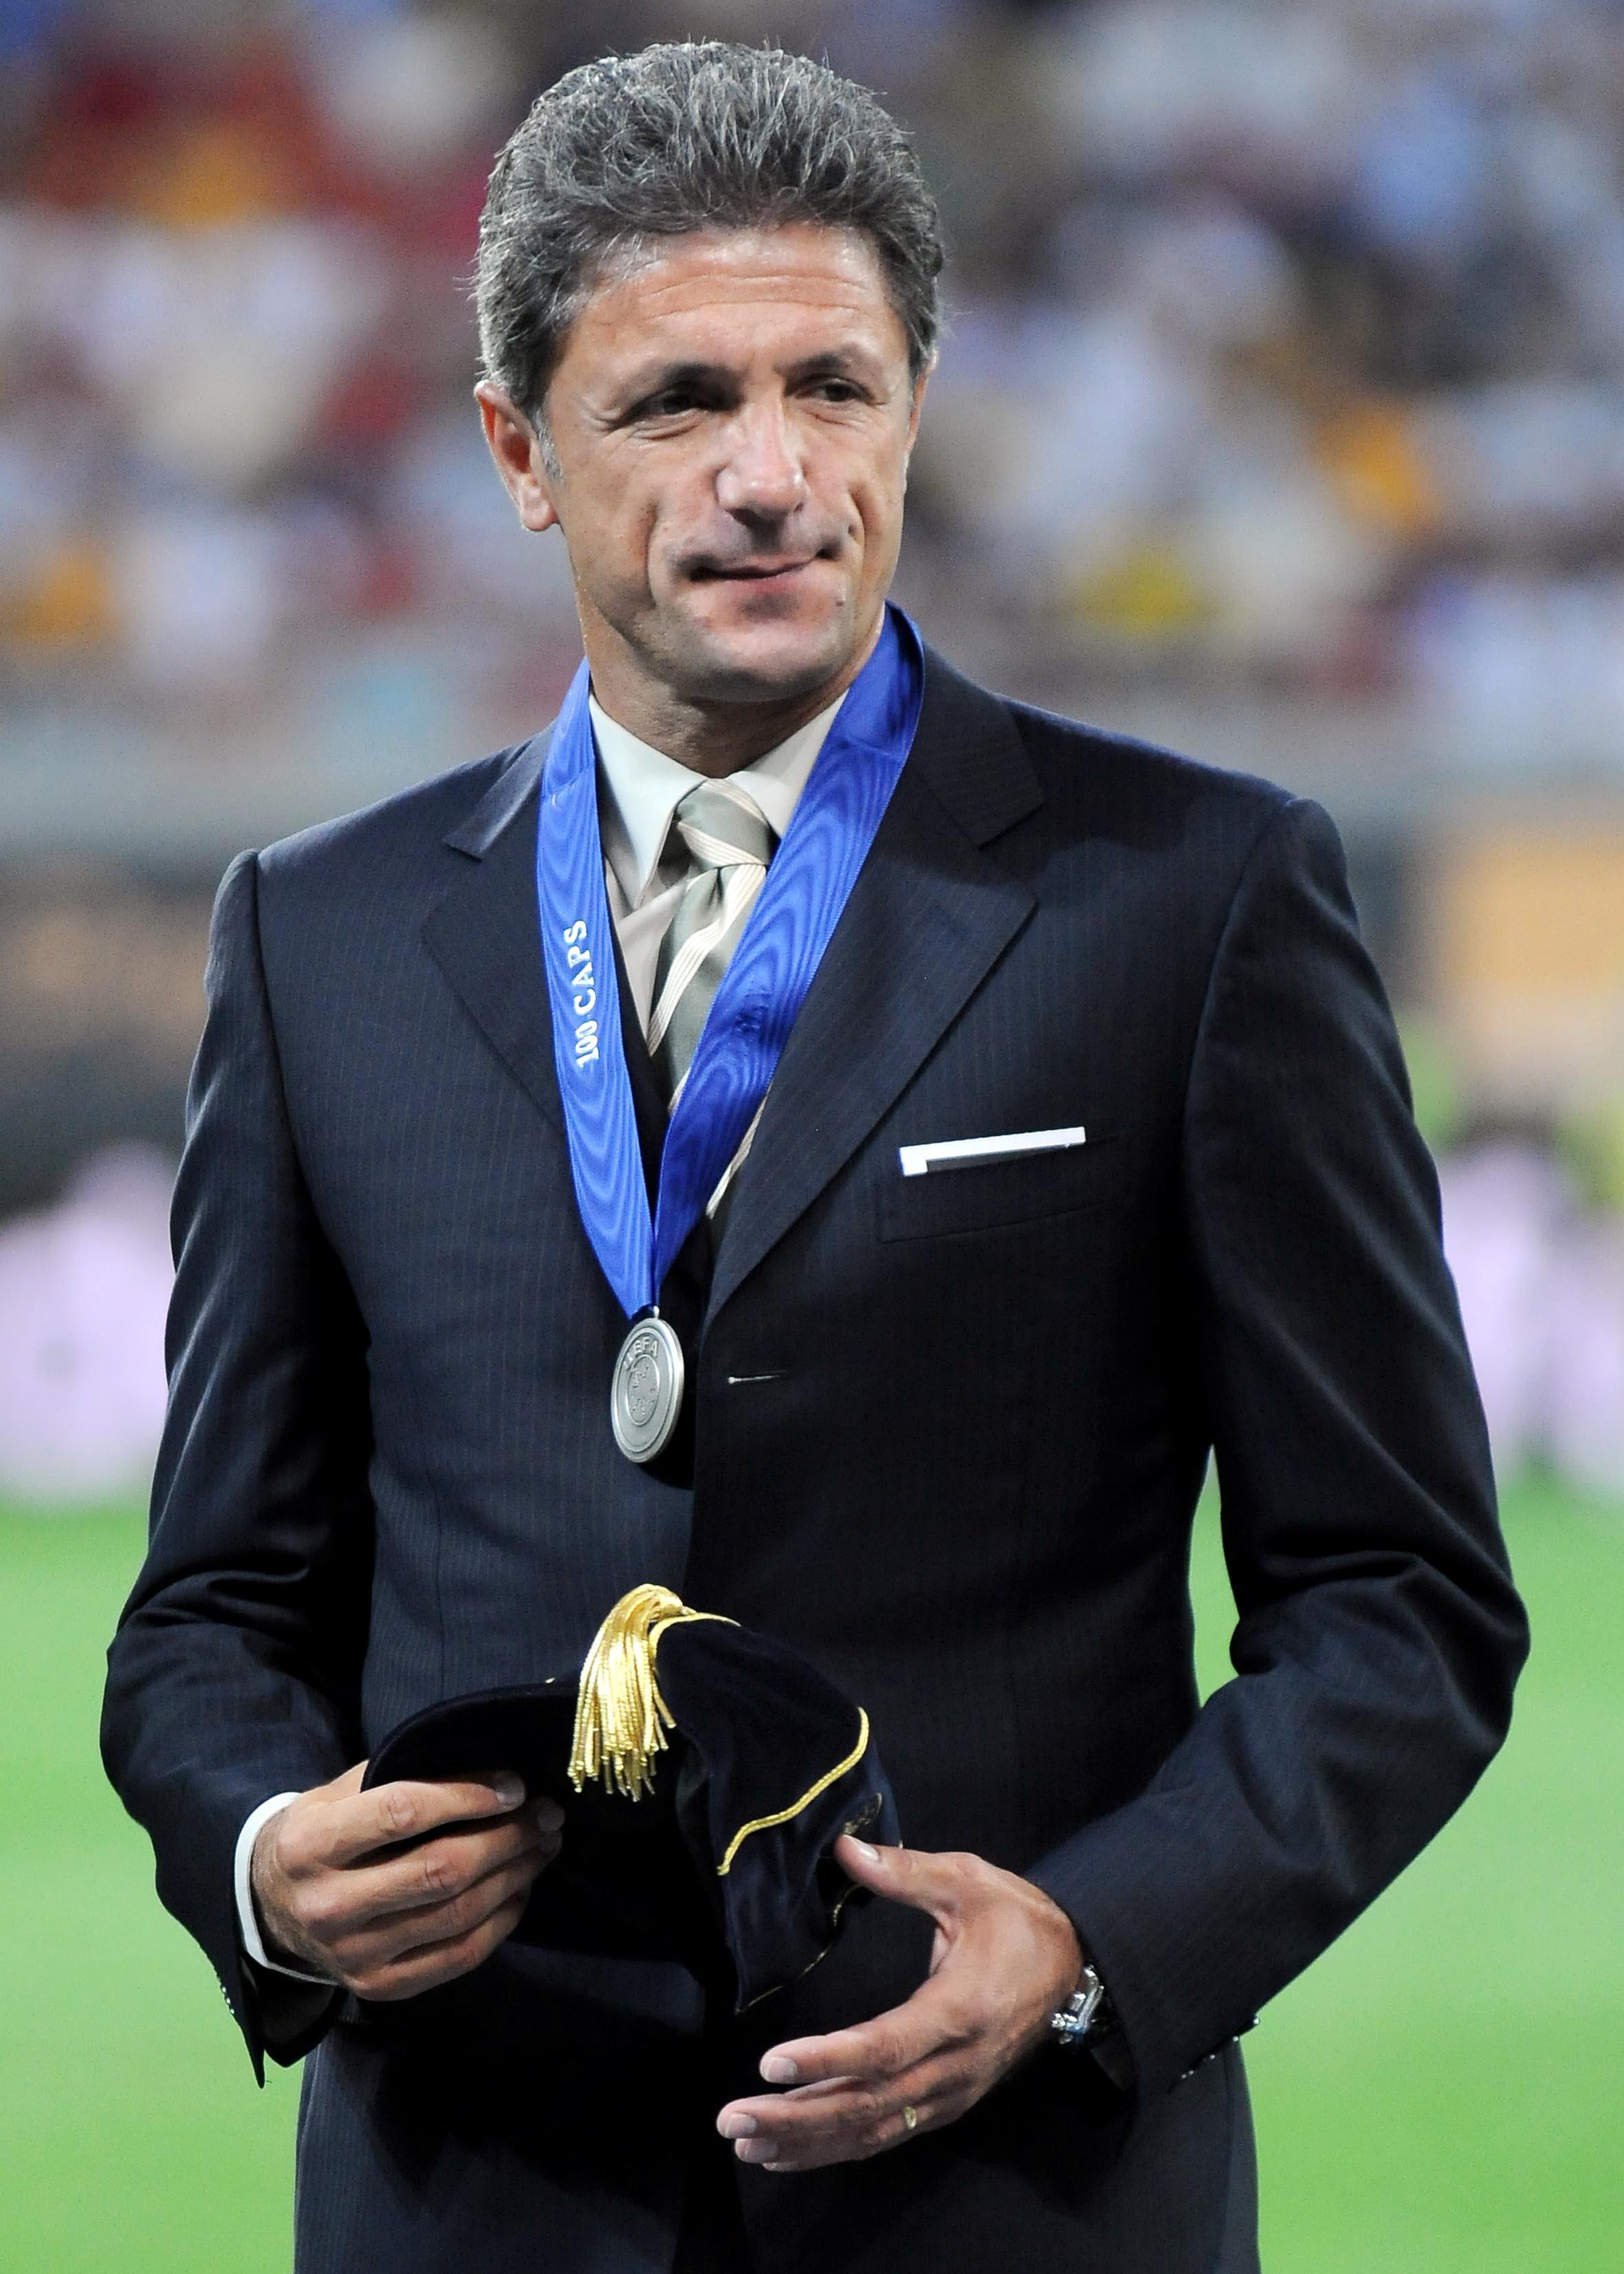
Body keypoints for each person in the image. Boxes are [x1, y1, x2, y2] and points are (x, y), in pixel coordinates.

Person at [102, 41, 1528, 2274]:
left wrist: (1091, 1941)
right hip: (473, 2193)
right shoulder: (318, 935)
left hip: (1011, 2198)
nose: (770, 475)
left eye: (831, 389)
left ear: (913, 410)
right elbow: (212, 1609)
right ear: (518, 454)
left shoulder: (1192, 897)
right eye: (677, 401)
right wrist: (268, 1855)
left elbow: (1396, 1595)